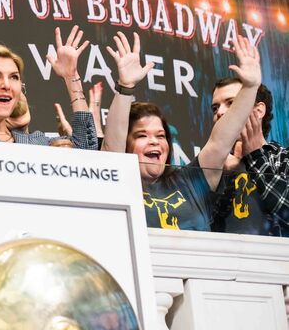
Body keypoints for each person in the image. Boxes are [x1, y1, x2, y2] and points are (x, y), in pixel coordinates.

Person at [102, 31, 261, 231]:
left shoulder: (189, 181)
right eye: (142, 135)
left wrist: (250, 87)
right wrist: (126, 87)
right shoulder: (116, 183)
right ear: (126, 145)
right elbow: (111, 152)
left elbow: (220, 142)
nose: (154, 142)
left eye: (160, 136)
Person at [0, 18, 98, 149]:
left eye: (14, 77)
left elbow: (85, 151)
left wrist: (71, 77)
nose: (6, 85)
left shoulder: (37, 143)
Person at [211, 79, 288, 236]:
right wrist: (227, 178)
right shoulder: (212, 168)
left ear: (258, 111)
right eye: (215, 108)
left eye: (231, 103)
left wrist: (255, 156)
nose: (219, 112)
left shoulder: (283, 158)